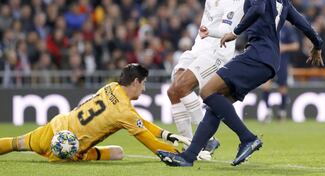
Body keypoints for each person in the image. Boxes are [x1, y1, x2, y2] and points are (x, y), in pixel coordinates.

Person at [157, 0, 324, 167]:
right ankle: (188, 157)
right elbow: (303, 23)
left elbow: (258, 7)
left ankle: (247, 137)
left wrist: (235, 32)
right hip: (271, 61)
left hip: (257, 55)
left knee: (207, 91)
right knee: (216, 106)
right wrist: (318, 44)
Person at [0, 64, 193, 162]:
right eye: (143, 84)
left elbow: (139, 121)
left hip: (54, 129)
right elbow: (155, 147)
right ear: (135, 82)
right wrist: (184, 154)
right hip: (71, 152)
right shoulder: (125, 113)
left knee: (16, 143)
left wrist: (167, 134)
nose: (143, 89)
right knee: (118, 153)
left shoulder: (111, 87)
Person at [167, 0, 246, 154]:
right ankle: (193, 143)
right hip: (198, 47)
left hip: (217, 52)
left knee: (183, 86)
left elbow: (229, 30)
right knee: (173, 91)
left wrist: (207, 29)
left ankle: (207, 139)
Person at [260, 22, 300, 122]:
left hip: (282, 62)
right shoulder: (268, 27)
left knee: (282, 87)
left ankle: (282, 112)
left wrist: (283, 47)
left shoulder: (287, 29)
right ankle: (268, 111)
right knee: (265, 85)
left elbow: (296, 45)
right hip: (268, 61)